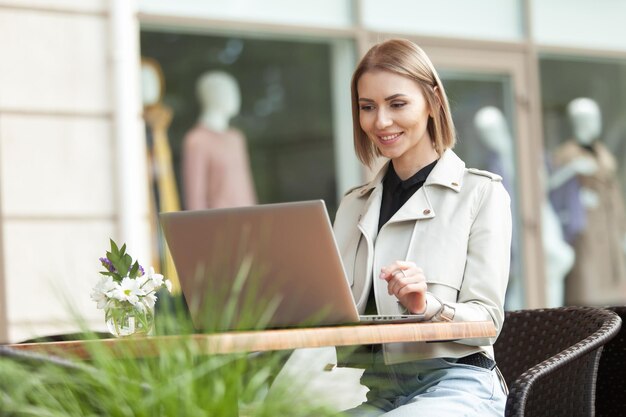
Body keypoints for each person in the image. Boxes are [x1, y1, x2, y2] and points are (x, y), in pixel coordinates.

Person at [333, 39, 511, 416]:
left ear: (432, 101)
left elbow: (488, 321)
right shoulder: (353, 205)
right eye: (368, 107)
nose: (380, 122)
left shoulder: (481, 193)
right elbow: (335, 315)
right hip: (380, 394)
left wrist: (428, 306)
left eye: (397, 104)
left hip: (461, 385)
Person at [550, 97, 626, 305]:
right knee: (587, 283)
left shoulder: (602, 152)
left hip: (609, 227)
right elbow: (553, 189)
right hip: (585, 229)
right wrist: (577, 195)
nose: (593, 124)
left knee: (613, 286)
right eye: (586, 119)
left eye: (594, 118)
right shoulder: (567, 154)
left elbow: (613, 191)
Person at [182, 70, 257, 210]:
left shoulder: (236, 138)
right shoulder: (197, 140)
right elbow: (195, 197)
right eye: (227, 92)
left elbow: (246, 186)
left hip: (247, 220)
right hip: (219, 223)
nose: (235, 97)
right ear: (212, 95)